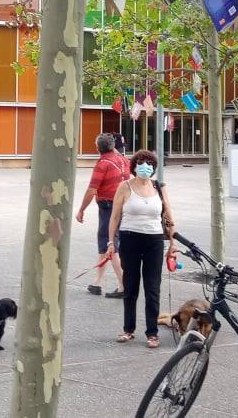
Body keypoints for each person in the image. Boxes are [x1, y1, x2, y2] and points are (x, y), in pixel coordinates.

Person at [106, 150, 176, 348]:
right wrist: (111, 242)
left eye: (149, 164)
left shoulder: (159, 188)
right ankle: (129, 329)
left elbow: (169, 214)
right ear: (134, 166)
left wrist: (172, 242)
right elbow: (114, 217)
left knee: (153, 287)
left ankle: (152, 333)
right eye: (141, 163)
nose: (145, 167)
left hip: (154, 240)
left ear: (153, 168)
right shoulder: (125, 187)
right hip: (130, 238)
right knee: (131, 286)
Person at [75, 133, 128, 298]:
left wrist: (81, 209)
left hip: (108, 207)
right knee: (105, 244)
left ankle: (123, 286)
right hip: (122, 206)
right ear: (112, 146)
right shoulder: (124, 161)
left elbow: (92, 189)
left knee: (110, 244)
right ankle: (97, 282)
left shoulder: (103, 164)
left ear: (98, 148)